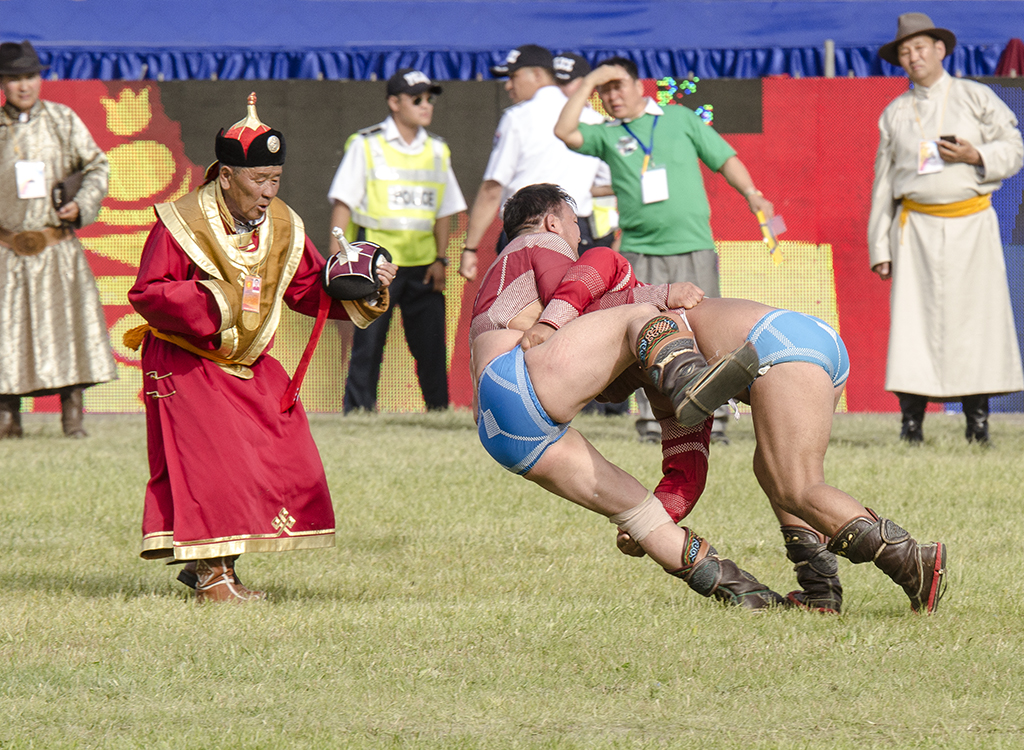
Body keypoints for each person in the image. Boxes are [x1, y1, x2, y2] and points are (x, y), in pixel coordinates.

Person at [527, 257, 948, 614]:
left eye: (595, 386)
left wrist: (552, 321)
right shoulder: (661, 373)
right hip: (804, 342)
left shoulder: (638, 319)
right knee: (771, 469)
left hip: (776, 346)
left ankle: (912, 559)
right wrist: (651, 522)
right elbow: (686, 473)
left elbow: (602, 260)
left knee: (798, 486)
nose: (601, 394)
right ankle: (820, 589)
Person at [126, 94, 397, 602]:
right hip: (186, 359)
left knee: (286, 451)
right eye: (258, 179)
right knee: (217, 466)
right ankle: (212, 576)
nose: (269, 191)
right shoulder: (181, 221)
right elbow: (148, 293)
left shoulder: (283, 225)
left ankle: (216, 565)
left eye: (275, 178)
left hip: (246, 362)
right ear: (225, 176)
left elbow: (308, 290)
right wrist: (221, 298)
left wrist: (364, 281)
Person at [470, 183, 783, 609]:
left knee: (642, 516)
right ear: (551, 221)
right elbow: (581, 303)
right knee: (639, 314)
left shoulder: (501, 266)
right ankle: (687, 378)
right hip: (516, 380)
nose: (579, 234)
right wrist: (662, 295)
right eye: (575, 223)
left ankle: (754, 599)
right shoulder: (540, 245)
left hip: (502, 431)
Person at [555, 56, 774, 445]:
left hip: (693, 245)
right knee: (644, 337)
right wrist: (590, 79)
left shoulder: (680, 119)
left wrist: (753, 195)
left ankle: (717, 422)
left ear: (641, 86)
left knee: (708, 332)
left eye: (618, 85)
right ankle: (653, 425)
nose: (612, 95)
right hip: (639, 251)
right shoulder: (607, 135)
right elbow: (564, 130)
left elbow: (725, 159)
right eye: (605, 90)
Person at [868, 13, 1024, 445]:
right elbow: (883, 185)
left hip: (972, 224)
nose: (913, 56)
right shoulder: (896, 114)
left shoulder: (977, 98)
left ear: (940, 49)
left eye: (920, 47)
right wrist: (880, 245)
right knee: (912, 328)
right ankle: (911, 424)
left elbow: (1014, 148)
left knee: (978, 322)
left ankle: (978, 423)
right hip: (914, 228)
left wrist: (978, 154)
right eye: (904, 51)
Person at [328, 69, 466, 413]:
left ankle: (438, 413)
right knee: (368, 344)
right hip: (376, 263)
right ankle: (359, 412)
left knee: (432, 348)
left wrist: (441, 259)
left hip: (423, 265)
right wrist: (339, 258)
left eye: (429, 98)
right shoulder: (366, 144)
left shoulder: (438, 149)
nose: (425, 105)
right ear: (394, 102)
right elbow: (343, 202)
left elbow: (444, 210)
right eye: (416, 99)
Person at [0, 40, 115, 439]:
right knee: (6, 334)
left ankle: (73, 419)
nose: (23, 86)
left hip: (55, 245)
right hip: (6, 248)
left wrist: (82, 204)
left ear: (40, 78)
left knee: (66, 329)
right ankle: (8, 419)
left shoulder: (62, 120)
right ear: (3, 83)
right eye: (14, 79)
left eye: (29, 76)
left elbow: (97, 165)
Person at [459, 45, 605, 280]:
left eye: (513, 76)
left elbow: (492, 188)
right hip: (577, 232)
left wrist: (470, 248)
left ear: (537, 74)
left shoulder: (517, 117)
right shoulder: (594, 120)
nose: (508, 85)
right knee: (576, 312)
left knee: (522, 314)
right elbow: (611, 183)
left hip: (527, 233)